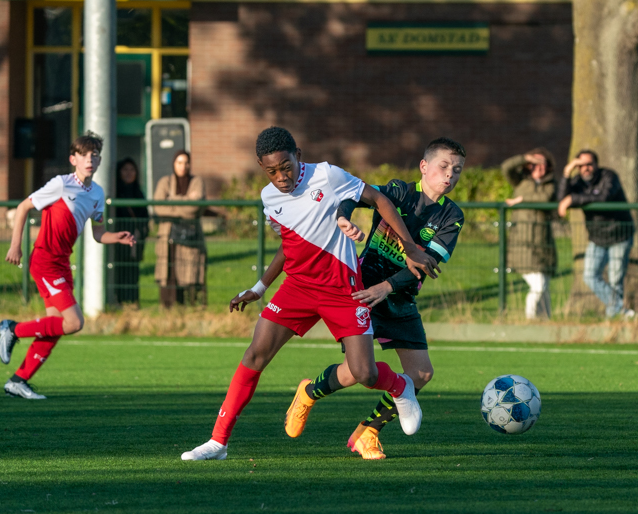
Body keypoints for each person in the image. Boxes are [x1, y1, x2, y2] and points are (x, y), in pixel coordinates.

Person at [179, 126, 441, 461]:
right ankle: (218, 442)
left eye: (285, 167)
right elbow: (290, 247)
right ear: (262, 167)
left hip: (342, 289)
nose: (281, 177)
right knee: (254, 355)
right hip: (298, 288)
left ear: (297, 156)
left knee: (364, 372)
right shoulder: (268, 199)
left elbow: (378, 200)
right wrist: (259, 288)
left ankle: (400, 386)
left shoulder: (328, 175)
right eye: (271, 171)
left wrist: (409, 248)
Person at [283, 138, 466, 460]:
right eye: (444, 166)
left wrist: (388, 287)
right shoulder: (399, 192)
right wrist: (343, 217)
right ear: (424, 167)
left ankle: (368, 432)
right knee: (357, 371)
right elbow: (352, 194)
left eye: (457, 170)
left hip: (398, 296)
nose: (450, 174)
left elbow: (427, 264)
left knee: (421, 374)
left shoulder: (452, 216)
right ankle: (309, 392)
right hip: (363, 290)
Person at [0, 132, 136, 399]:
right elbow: (24, 206)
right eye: (84, 154)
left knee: (55, 324)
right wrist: (16, 245)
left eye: (94, 155)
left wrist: (115, 237)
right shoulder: (60, 184)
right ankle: (12, 328)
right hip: (45, 260)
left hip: (62, 263)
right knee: (74, 322)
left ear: (100, 159)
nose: (89, 159)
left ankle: (18, 380)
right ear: (73, 159)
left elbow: (98, 233)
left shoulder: (97, 193)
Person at [557, 150, 635, 318]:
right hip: (597, 238)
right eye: (581, 165)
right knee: (590, 276)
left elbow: (604, 197)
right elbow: (561, 199)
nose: (586, 168)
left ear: (596, 165)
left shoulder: (609, 176)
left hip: (619, 235)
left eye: (589, 164)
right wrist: (566, 173)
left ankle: (613, 318)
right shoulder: (577, 181)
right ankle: (620, 311)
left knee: (615, 279)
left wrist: (574, 199)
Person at [502, 148, 558, 319]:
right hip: (522, 243)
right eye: (535, 164)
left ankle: (546, 320)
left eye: (543, 165)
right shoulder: (520, 182)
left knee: (545, 287)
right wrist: (524, 157)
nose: (539, 168)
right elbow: (506, 168)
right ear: (529, 166)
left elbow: (545, 200)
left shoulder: (551, 185)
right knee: (538, 286)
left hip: (544, 244)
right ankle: (530, 319)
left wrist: (521, 201)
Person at [152, 150, 207, 307]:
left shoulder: (197, 182)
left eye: (186, 162)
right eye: (179, 162)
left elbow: (194, 209)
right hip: (168, 236)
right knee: (169, 271)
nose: (183, 166)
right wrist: (186, 201)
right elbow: (159, 207)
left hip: (190, 236)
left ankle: (191, 308)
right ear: (174, 164)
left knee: (191, 272)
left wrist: (172, 200)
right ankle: (170, 309)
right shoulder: (165, 182)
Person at [112, 157, 150, 305]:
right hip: (117, 242)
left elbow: (144, 218)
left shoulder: (138, 193)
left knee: (133, 273)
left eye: (132, 170)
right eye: (125, 169)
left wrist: (141, 234)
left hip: (135, 241)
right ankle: (118, 302)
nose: (129, 173)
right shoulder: (116, 192)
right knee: (119, 272)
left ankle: (133, 303)